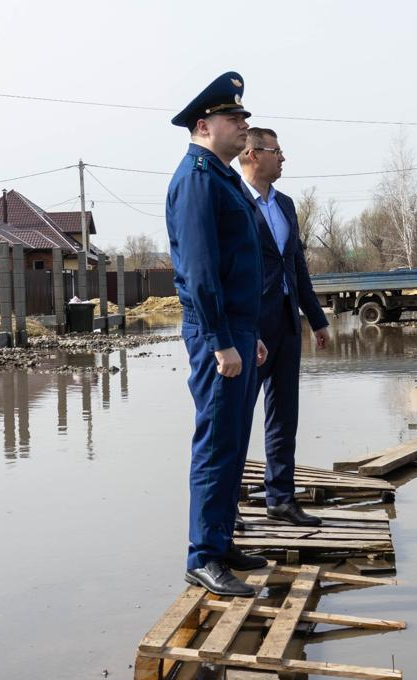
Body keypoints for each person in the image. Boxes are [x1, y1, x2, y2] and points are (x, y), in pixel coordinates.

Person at [166, 71, 270, 597]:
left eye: (244, 118)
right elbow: (203, 271)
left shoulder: (223, 177)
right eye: (234, 119)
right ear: (204, 125)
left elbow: (235, 265)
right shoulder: (196, 179)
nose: (243, 127)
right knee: (215, 442)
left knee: (232, 442)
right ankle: (202, 555)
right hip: (215, 334)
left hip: (234, 329)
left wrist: (245, 333)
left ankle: (221, 541)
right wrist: (222, 341)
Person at [236, 127, 331, 527]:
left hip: (287, 322)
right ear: (253, 154)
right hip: (249, 327)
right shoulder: (234, 201)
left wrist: (317, 318)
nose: (283, 157)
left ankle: (281, 498)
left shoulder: (287, 205)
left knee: (283, 415)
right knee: (237, 418)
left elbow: (297, 265)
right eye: (277, 151)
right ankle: (226, 506)